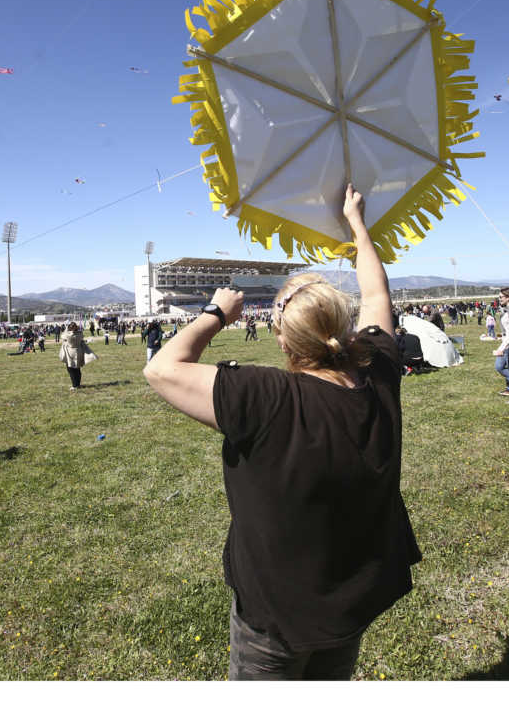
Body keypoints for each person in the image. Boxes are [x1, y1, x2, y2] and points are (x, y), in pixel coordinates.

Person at [144, 185, 421, 680]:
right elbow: (379, 294)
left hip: (275, 616)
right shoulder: (378, 372)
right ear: (346, 324)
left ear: (280, 338)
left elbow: (162, 369)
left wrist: (215, 313)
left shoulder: (267, 396)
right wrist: (357, 224)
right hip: (350, 605)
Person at [58, 322, 89, 391]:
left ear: (69, 328)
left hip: (70, 353)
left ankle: (74, 385)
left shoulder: (69, 335)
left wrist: (66, 329)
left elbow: (62, 336)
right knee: (77, 369)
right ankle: (77, 384)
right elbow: (81, 336)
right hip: (79, 352)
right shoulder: (80, 334)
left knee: (71, 370)